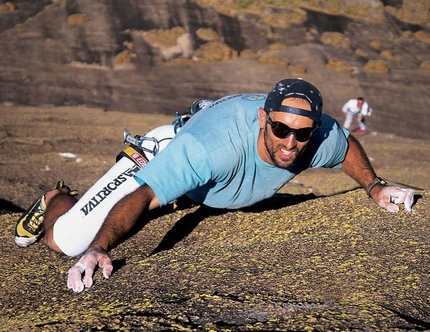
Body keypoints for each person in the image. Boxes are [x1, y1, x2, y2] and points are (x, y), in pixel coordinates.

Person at [14, 78, 414, 293]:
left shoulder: (314, 135)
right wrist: (98, 249)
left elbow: (346, 147)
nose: (291, 142)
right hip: (166, 154)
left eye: (302, 134)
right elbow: (145, 195)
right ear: (263, 119)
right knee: (65, 242)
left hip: (201, 177)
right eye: (280, 129)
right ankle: (55, 197)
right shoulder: (210, 150)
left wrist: (375, 187)